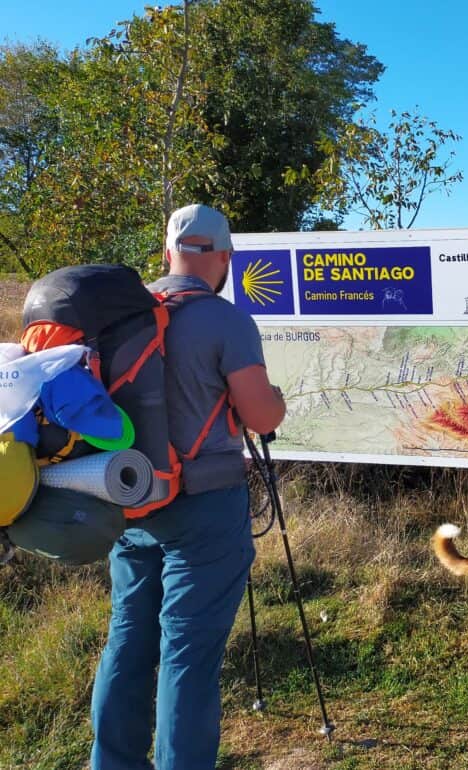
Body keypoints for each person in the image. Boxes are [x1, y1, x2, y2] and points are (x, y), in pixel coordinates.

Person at [90, 203, 286, 770]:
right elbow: (261, 416)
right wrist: (276, 402)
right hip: (206, 507)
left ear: (166, 251)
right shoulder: (226, 321)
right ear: (224, 257)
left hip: (131, 500)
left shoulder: (122, 316)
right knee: (187, 654)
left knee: (127, 641)